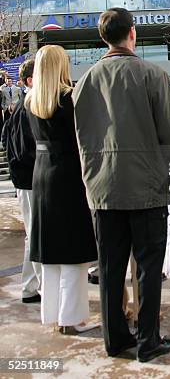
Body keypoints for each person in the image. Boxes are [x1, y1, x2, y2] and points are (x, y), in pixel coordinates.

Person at [73, 7, 170, 361]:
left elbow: (81, 137)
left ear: (103, 37)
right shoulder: (152, 75)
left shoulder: (86, 82)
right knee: (149, 268)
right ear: (133, 33)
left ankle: (116, 339)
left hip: (103, 189)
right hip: (147, 187)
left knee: (110, 267)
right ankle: (148, 340)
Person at [25, 45, 98, 334]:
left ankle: (54, 315)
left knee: (51, 251)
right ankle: (72, 318)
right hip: (68, 175)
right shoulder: (69, 98)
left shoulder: (30, 100)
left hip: (41, 175)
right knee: (73, 252)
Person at [1, 59, 41, 303]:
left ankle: (30, 286)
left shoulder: (24, 107)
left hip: (26, 180)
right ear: (29, 81)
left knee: (33, 234)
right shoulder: (27, 108)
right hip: (29, 181)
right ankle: (32, 286)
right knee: (34, 234)